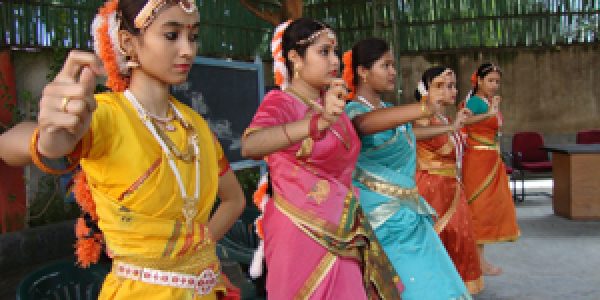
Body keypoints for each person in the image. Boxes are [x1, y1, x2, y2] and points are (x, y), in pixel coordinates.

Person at [0, 1, 246, 298]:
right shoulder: (104, 115)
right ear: (128, 43)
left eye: (192, 37)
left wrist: (195, 251)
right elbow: (7, 145)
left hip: (206, 287)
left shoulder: (195, 126)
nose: (188, 50)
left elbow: (234, 199)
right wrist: (47, 141)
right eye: (171, 35)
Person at [241, 20, 401, 299]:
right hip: (300, 230)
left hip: (345, 225)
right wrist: (315, 123)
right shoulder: (281, 103)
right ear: (295, 58)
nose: (334, 61)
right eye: (323, 52)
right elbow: (251, 145)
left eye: (335, 52)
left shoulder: (334, 104)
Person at [342, 39, 471, 299]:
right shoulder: (353, 111)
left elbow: (412, 131)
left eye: (393, 65)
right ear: (363, 72)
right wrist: (425, 106)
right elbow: (364, 125)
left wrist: (449, 128)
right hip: (380, 219)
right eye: (385, 65)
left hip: (408, 211)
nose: (393, 72)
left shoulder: (389, 110)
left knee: (435, 281)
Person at [413, 67, 484, 294]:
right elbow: (412, 132)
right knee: (438, 242)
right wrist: (452, 127)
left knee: (458, 241)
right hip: (431, 189)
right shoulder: (423, 116)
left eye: (452, 86)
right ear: (425, 90)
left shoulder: (444, 117)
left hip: (451, 187)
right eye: (440, 86)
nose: (449, 91)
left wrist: (456, 125)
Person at [461, 63, 520, 276]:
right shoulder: (475, 102)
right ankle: (477, 262)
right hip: (477, 162)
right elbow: (463, 122)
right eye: (490, 81)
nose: (495, 85)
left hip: (489, 160)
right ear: (479, 81)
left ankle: (479, 259)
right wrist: (490, 113)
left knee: (485, 211)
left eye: (497, 81)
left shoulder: (486, 101)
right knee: (478, 210)